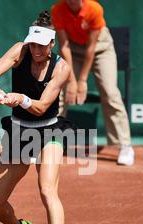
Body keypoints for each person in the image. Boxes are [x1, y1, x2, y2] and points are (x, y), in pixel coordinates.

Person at [0, 11, 73, 224]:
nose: (36, 49)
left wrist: (19, 98)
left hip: (48, 131)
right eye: (33, 43)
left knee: (47, 188)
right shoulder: (19, 51)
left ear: (52, 44)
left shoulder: (61, 67)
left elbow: (43, 105)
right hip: (19, 132)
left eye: (42, 45)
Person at [51, 0, 135, 166]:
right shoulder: (57, 10)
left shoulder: (94, 9)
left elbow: (91, 48)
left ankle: (125, 145)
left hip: (100, 50)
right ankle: (53, 142)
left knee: (111, 92)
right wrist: (72, 81)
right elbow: (64, 46)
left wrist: (82, 81)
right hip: (72, 50)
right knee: (59, 91)